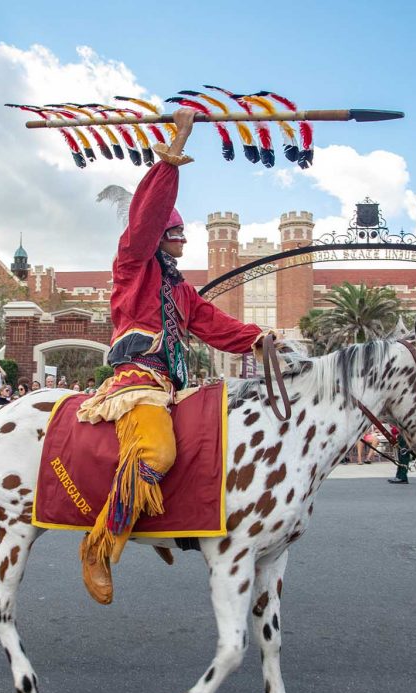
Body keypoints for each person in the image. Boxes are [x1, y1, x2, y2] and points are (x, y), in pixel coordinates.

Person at [74, 107, 271, 605]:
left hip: (173, 386)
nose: (184, 239)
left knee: (211, 449)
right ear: (159, 236)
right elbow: (144, 220)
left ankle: (158, 521)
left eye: (183, 233)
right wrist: (173, 154)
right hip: (137, 380)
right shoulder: (133, 264)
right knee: (157, 454)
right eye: (177, 233)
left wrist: (257, 339)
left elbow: (213, 324)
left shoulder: (181, 291)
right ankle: (99, 545)